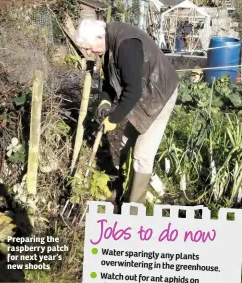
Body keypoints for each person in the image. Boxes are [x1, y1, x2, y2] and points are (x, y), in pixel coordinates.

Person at [74, 20, 179, 214]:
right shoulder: (108, 45)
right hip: (144, 92)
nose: (89, 53)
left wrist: (113, 120)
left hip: (159, 95)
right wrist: (105, 102)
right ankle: (121, 190)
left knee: (142, 155)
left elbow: (133, 91)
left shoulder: (126, 45)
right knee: (124, 144)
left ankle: (134, 210)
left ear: (99, 37)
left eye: (89, 48)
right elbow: (109, 82)